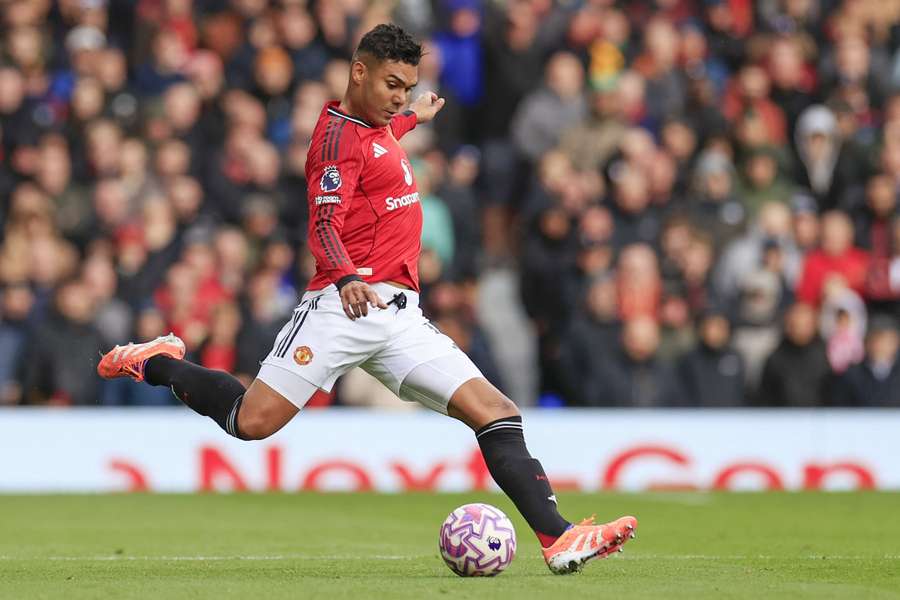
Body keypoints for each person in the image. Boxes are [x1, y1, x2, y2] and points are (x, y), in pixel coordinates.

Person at [96, 24, 635, 574]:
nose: (399, 97)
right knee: (250, 422)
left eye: (407, 87)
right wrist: (346, 276)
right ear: (359, 73)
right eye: (392, 85)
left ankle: (558, 538)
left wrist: (414, 116)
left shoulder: (375, 127)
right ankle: (157, 362)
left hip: (400, 319)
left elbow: (381, 137)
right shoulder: (336, 142)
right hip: (342, 307)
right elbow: (323, 224)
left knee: (497, 412)